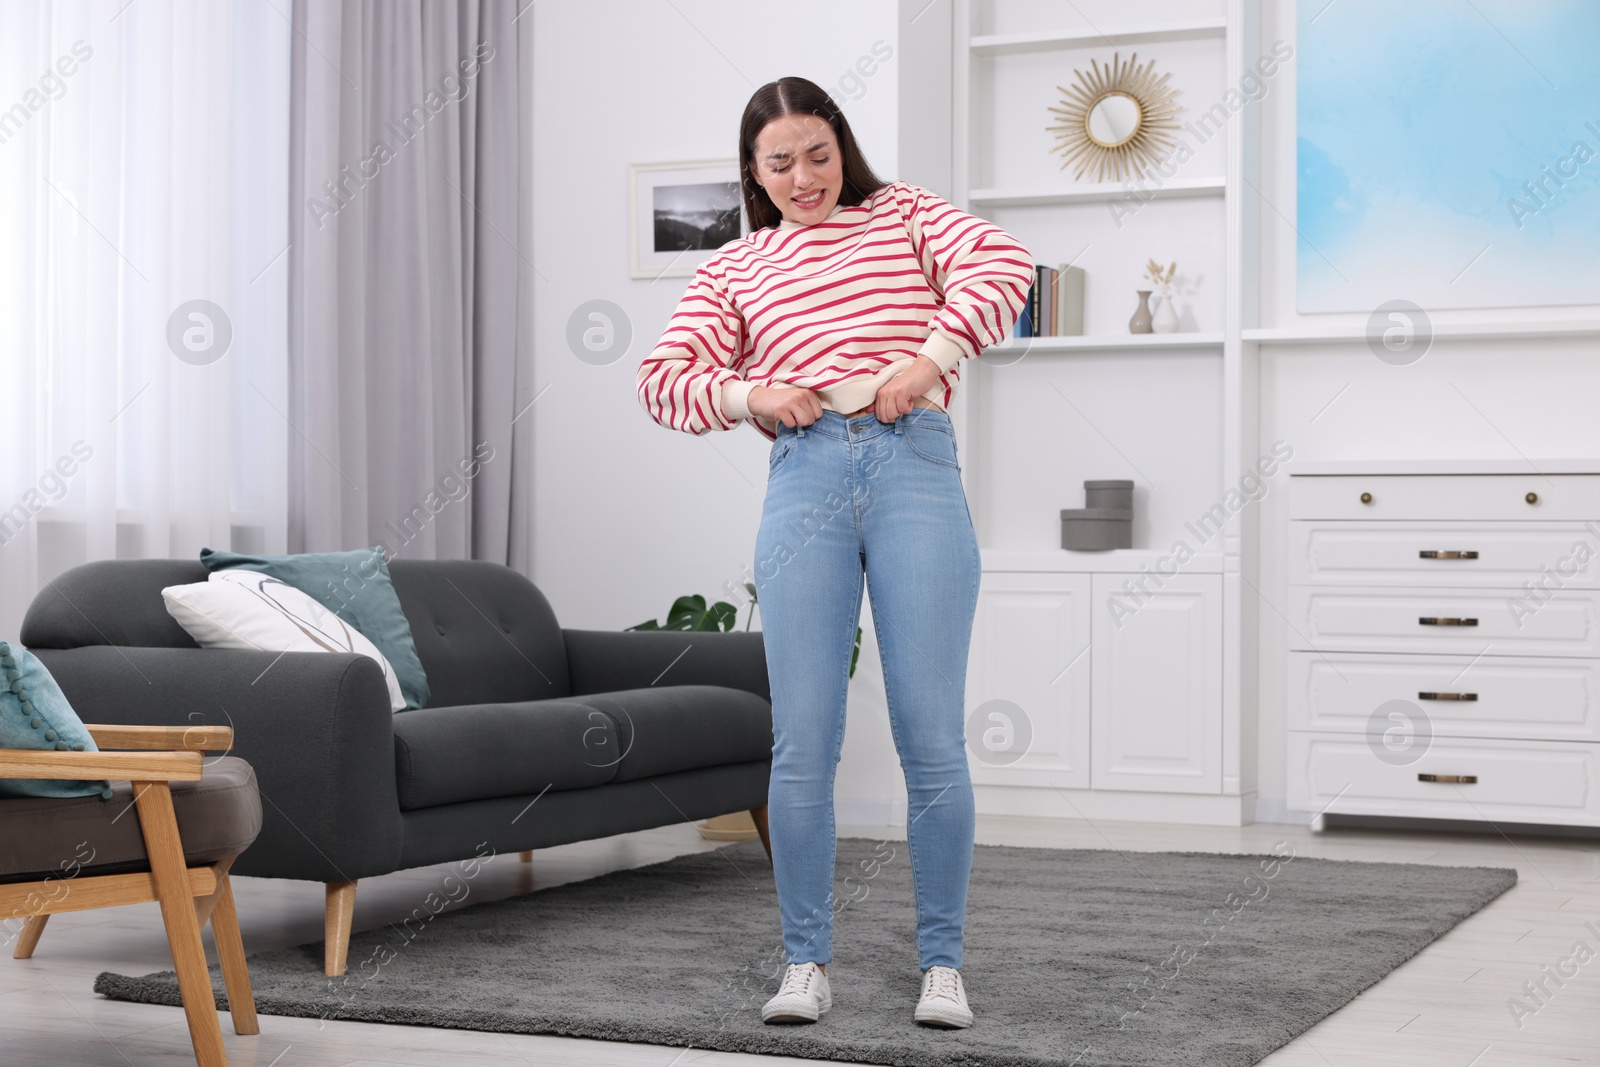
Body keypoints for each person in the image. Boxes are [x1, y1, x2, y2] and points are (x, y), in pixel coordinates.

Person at [636, 75, 1031, 1030]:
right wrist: (750, 398)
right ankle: (805, 961)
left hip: (914, 466)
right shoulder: (737, 266)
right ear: (756, 171)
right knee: (802, 739)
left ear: (840, 147)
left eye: (818, 154)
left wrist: (930, 357)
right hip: (804, 478)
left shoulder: (901, 216)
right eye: (782, 163)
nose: (804, 176)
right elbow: (664, 379)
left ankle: (943, 965)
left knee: (930, 735)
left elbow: (1006, 267)